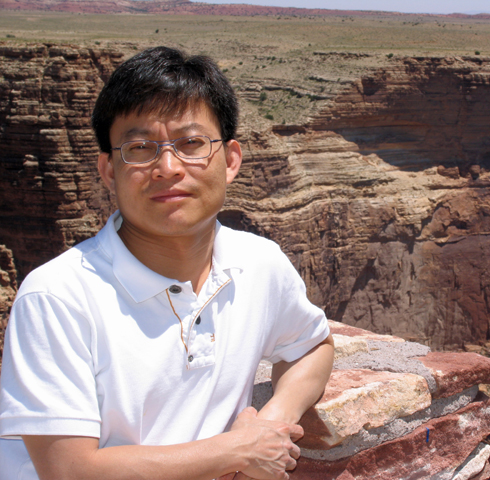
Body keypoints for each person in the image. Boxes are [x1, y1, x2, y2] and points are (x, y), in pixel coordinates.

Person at [0, 46, 334, 480]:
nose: (168, 167)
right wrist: (235, 450)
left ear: (230, 160)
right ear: (108, 170)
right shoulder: (58, 297)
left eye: (192, 143)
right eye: (140, 148)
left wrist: (273, 420)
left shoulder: (258, 262)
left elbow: (312, 347)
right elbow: (68, 470)